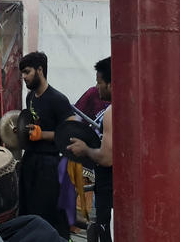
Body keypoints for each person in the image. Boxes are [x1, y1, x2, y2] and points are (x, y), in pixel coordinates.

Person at [19, 51, 75, 239]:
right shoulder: (30, 97)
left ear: (40, 70)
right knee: (29, 212)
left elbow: (71, 133)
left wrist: (43, 134)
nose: (24, 77)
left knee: (48, 215)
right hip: (30, 161)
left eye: (27, 72)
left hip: (49, 165)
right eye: (22, 73)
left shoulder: (58, 99)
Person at [66, 57, 112, 242]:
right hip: (115, 185)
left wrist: (85, 149)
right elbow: (74, 118)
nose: (97, 87)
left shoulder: (111, 113)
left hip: (109, 185)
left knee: (106, 231)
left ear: (111, 83)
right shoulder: (132, 105)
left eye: (99, 82)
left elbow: (107, 158)